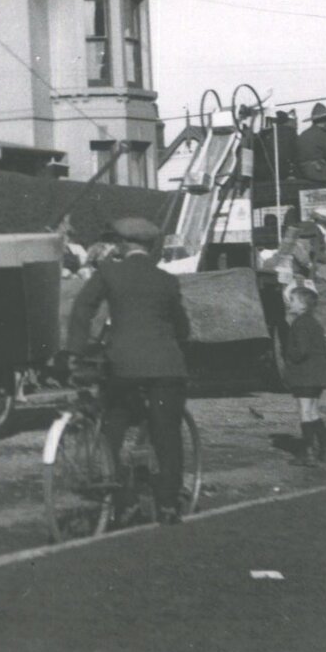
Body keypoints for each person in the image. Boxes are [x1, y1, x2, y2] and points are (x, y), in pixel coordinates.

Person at [64, 215, 193, 524]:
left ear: (122, 245)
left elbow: (83, 308)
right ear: (151, 248)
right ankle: (167, 504)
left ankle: (124, 501)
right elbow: (182, 327)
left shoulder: (109, 272)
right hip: (165, 367)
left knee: (113, 430)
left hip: (123, 366)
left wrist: (76, 351)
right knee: (167, 434)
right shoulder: (167, 280)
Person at [280, 285, 326, 467]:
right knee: (313, 412)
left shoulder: (299, 324)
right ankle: (325, 449)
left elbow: (301, 350)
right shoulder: (315, 323)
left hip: (304, 375)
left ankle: (308, 453)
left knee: (304, 413)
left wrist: (290, 358)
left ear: (303, 305)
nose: (289, 304)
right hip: (317, 375)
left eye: (292, 300)